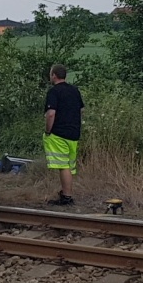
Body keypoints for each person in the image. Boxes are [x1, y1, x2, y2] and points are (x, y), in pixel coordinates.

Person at [43, 64, 83, 205]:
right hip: (74, 133)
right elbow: (80, 110)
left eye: (50, 73)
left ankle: (66, 196)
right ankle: (67, 193)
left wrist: (48, 131)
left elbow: (51, 114)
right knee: (69, 166)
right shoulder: (75, 91)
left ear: (54, 75)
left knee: (63, 166)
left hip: (59, 133)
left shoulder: (54, 92)